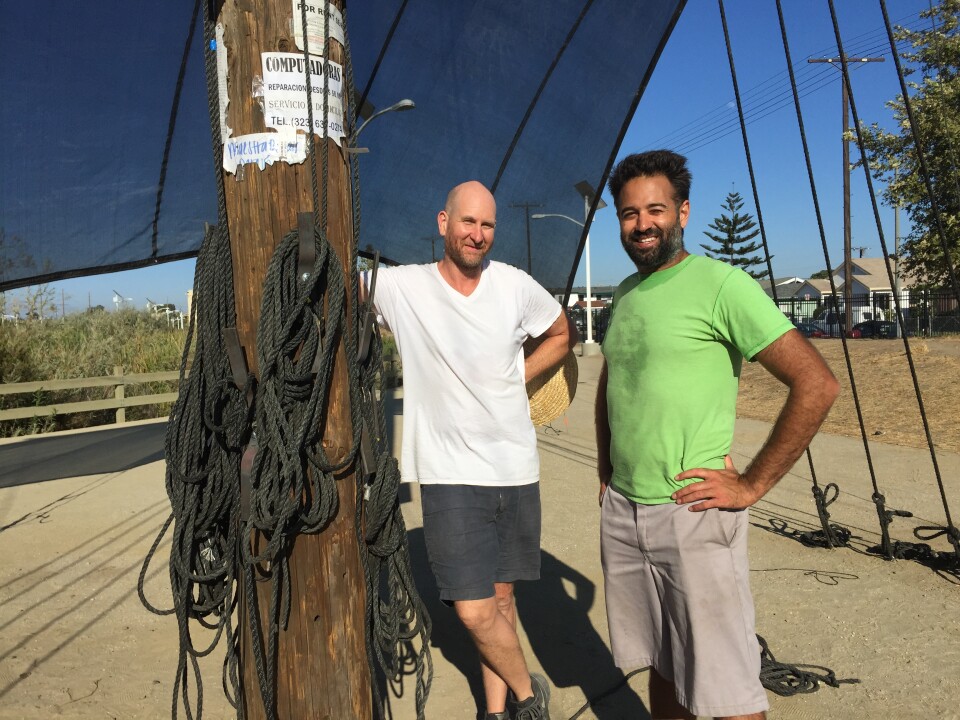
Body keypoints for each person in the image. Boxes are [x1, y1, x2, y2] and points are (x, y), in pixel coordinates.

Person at [595, 150, 840, 720]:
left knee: (728, 687)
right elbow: (615, 379)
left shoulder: (722, 285)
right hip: (625, 512)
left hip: (692, 514)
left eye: (655, 209)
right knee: (662, 661)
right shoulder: (626, 294)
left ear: (683, 211)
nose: (642, 223)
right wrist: (606, 470)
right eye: (629, 214)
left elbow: (816, 383)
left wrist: (751, 484)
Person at [366, 180, 574, 720]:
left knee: (503, 602)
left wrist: (516, 377)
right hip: (451, 474)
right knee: (473, 610)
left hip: (515, 469)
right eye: (467, 222)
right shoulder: (401, 287)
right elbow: (340, 287)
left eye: (487, 225)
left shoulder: (514, 286)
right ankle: (531, 697)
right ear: (443, 223)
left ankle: (496, 711)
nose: (477, 235)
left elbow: (560, 332)